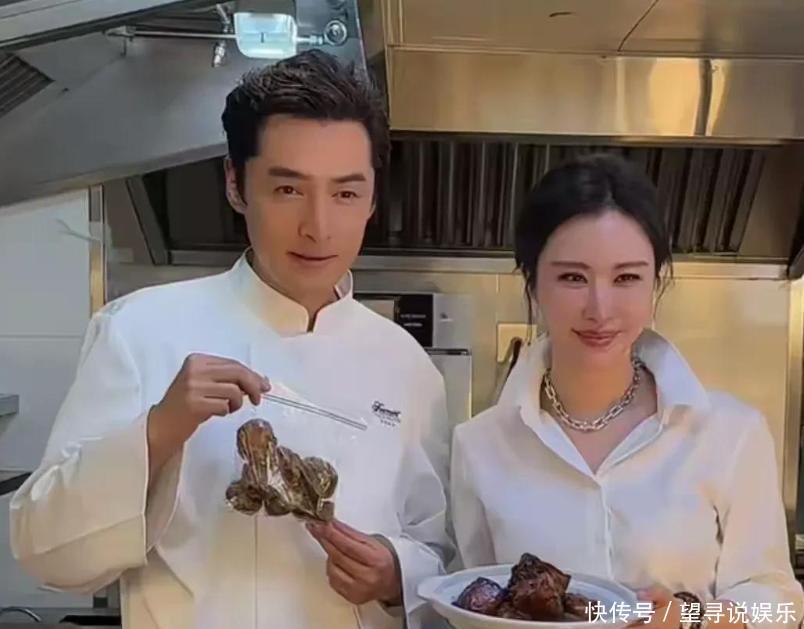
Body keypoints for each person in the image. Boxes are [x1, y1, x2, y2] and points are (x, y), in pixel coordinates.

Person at [10, 50, 452, 629]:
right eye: (288, 189)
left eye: (345, 193)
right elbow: (45, 552)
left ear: (372, 199)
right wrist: (159, 430)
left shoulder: (408, 367)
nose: (318, 227)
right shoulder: (140, 330)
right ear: (236, 184)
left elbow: (440, 553)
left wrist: (398, 575)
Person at [450, 153, 804, 629]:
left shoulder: (730, 433)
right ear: (533, 285)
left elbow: (780, 603)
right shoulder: (479, 445)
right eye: (573, 277)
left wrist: (692, 618)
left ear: (655, 284)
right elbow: (468, 608)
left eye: (626, 278)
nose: (600, 309)